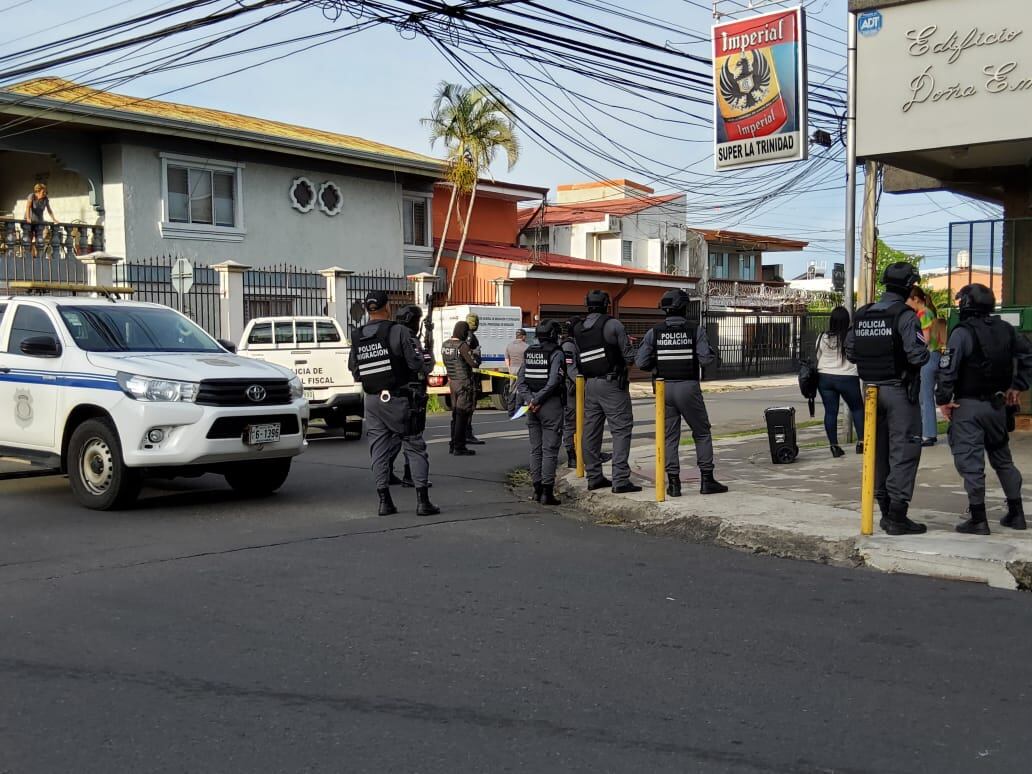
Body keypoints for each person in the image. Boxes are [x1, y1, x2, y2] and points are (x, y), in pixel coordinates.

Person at [935, 284, 1032, 534]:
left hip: (968, 406)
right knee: (1003, 460)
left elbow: (948, 368)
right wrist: (1017, 387)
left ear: (967, 304)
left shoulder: (962, 333)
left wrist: (943, 399)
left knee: (971, 462)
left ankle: (978, 519)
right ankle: (1016, 513)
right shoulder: (1006, 329)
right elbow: (1027, 356)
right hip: (998, 407)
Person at [845, 262, 930, 535]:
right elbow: (917, 355)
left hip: (869, 390)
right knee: (904, 450)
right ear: (908, 286)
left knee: (876, 451)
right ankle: (896, 515)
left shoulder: (863, 314)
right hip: (897, 391)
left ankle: (883, 509)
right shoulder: (905, 316)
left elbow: (851, 352)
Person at [348, 291, 439, 517]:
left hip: (371, 400)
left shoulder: (357, 335)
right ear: (387, 307)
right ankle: (422, 502)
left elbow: (355, 370)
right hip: (399, 398)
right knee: (414, 446)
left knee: (378, 451)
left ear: (368, 309)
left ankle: (384, 502)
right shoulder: (397, 331)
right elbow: (417, 364)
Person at [634, 289, 728, 497]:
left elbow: (640, 362)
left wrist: (657, 364)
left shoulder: (654, 332)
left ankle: (674, 484)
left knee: (669, 437)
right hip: (688, 387)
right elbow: (705, 359)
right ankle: (706, 480)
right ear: (685, 308)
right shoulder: (696, 330)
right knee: (702, 432)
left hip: (662, 389)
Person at [574, 290, 641, 494]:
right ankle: (620, 479)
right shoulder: (613, 324)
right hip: (612, 385)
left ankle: (594, 477)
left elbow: (579, 358)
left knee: (591, 433)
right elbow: (629, 356)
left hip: (589, 385)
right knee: (621, 430)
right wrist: (641, 347)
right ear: (606, 304)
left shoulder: (578, 329)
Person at [516, 319, 566, 505]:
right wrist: (537, 400)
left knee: (535, 450)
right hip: (550, 405)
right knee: (549, 450)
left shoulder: (529, 352)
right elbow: (554, 381)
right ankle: (547, 492)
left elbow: (520, 380)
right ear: (554, 335)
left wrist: (530, 400)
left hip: (531, 407)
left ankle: (536, 491)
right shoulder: (556, 353)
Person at [388, 304, 434, 490]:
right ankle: (410, 475)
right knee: (412, 438)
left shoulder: (391, 334)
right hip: (413, 393)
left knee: (393, 437)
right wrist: (430, 346)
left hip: (394, 393)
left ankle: (387, 472)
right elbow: (424, 365)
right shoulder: (410, 338)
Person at [815, 306, 865, 458]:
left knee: (830, 412)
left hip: (825, 376)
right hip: (847, 376)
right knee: (857, 408)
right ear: (847, 320)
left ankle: (834, 446)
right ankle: (861, 442)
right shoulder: (851, 336)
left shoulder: (822, 336)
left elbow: (818, 356)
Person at [908, 286, 942, 446]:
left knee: (925, 397)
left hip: (927, 357)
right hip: (933, 356)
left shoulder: (923, 314)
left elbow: (925, 338)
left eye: (908, 299)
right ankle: (927, 432)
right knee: (925, 396)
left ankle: (928, 434)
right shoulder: (929, 312)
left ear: (916, 299)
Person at [442, 320, 480, 456]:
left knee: (455, 414)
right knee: (462, 415)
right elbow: (474, 363)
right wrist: (476, 353)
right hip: (464, 383)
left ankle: (453, 444)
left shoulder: (445, 344)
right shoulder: (462, 346)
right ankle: (459, 446)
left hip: (452, 382)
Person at [464, 313, 485, 445]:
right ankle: (467, 434)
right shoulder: (470, 337)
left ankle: (462, 434)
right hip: (470, 375)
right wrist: (476, 354)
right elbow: (471, 358)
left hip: (463, 376)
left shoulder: (463, 335)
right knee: (469, 405)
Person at [24, 183, 56, 250]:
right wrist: (28, 218)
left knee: (39, 240)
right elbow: (28, 207)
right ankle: (28, 254)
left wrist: (54, 219)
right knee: (29, 238)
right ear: (37, 191)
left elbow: (49, 210)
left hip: (39, 221)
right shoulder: (32, 196)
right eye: (43, 192)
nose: (45, 193)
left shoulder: (45, 199)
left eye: (45, 192)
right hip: (29, 220)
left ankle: (37, 256)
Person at [505, 328, 529, 411]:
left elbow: (507, 359)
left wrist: (509, 369)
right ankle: (518, 410)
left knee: (512, 389)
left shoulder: (509, 345)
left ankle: (510, 410)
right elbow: (528, 360)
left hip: (512, 369)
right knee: (521, 389)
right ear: (523, 336)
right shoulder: (526, 346)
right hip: (521, 369)